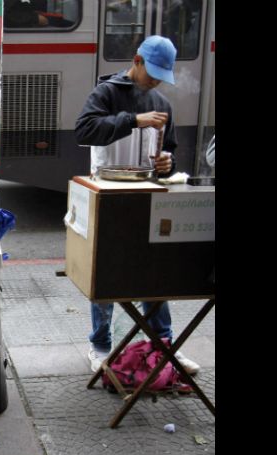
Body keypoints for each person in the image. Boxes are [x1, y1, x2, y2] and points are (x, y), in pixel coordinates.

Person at [74, 35, 200, 376]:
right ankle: (100, 346)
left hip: (147, 197)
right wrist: (133, 119)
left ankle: (163, 345)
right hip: (107, 193)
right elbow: (84, 130)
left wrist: (166, 165)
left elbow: (169, 152)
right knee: (105, 273)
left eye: (163, 75)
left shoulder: (161, 101)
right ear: (137, 61)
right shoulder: (107, 92)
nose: (156, 81)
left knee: (152, 273)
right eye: (152, 73)